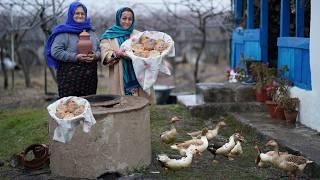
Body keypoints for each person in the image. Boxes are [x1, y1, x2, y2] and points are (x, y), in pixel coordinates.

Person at [100, 7, 155, 104]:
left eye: (130, 19)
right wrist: (118, 54)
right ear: (118, 19)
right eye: (124, 18)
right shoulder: (109, 36)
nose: (127, 21)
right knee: (122, 104)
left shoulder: (138, 35)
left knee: (141, 102)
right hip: (120, 74)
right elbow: (105, 53)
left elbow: (148, 51)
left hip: (138, 75)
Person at [45, 1, 100, 98]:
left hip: (89, 78)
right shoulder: (63, 32)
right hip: (69, 78)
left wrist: (95, 55)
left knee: (89, 104)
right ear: (71, 14)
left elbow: (100, 49)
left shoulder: (91, 32)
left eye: (82, 13)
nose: (80, 15)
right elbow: (56, 51)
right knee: (70, 107)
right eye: (77, 13)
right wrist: (76, 57)